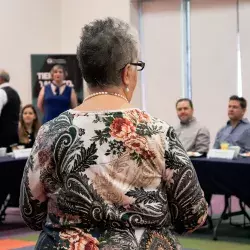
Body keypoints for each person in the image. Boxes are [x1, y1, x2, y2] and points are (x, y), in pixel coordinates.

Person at [20, 17, 207, 249]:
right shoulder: (158, 132)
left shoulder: (50, 132)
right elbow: (193, 214)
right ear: (127, 73)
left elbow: (31, 212)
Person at [0, 70, 21, 152]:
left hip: (2, 138)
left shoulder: (1, 92)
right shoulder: (15, 93)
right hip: (13, 136)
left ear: (0, 79)